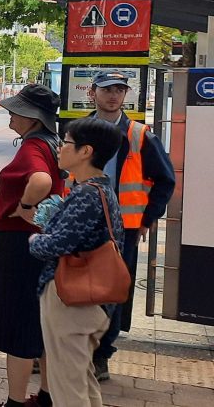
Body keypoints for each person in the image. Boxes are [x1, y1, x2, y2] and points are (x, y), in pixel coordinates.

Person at [83, 71, 175, 381]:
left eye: (120, 90)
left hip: (123, 229)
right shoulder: (79, 130)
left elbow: (165, 180)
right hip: (82, 225)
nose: (114, 96)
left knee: (113, 290)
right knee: (77, 285)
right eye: (107, 89)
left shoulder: (139, 135)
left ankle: (101, 354)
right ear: (93, 92)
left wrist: (148, 219)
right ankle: (76, 346)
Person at [29, 117, 126, 407]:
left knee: (67, 390)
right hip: (94, 302)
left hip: (73, 302)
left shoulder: (86, 194)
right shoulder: (102, 189)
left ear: (86, 151)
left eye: (67, 142)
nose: (59, 148)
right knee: (82, 381)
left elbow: (56, 245)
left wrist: (35, 241)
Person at [0, 84, 66, 407]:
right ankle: (46, 397)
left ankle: (15, 402)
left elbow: (41, 181)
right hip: (40, 243)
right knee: (41, 324)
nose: (10, 116)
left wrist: (23, 206)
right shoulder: (53, 142)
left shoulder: (33, 147)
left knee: (18, 325)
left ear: (33, 118)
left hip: (20, 244)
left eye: (16, 111)